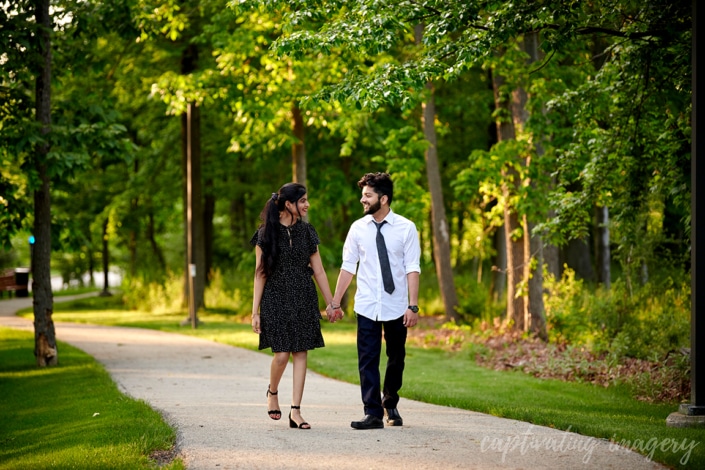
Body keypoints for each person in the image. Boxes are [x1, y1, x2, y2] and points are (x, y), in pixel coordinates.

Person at [329, 172, 421, 430]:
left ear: (384, 198)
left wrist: (413, 305)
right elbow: (348, 267)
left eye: (367, 196)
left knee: (396, 357)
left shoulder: (406, 228)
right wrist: (335, 302)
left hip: (396, 306)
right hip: (367, 304)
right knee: (367, 359)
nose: (363, 200)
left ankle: (389, 402)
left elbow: (413, 268)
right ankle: (372, 413)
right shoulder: (358, 228)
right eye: (362, 195)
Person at [251, 182, 340, 430]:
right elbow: (260, 274)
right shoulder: (265, 234)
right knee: (281, 354)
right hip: (275, 298)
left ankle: (296, 411)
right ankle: (272, 392)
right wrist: (254, 312)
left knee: (301, 352)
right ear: (289, 204)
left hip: (303, 296)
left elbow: (319, 270)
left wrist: (332, 302)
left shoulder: (307, 231)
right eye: (302, 201)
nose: (307, 205)